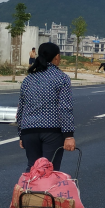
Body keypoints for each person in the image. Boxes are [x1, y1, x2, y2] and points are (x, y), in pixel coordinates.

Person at [16, 42, 75, 172]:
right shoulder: (61, 78)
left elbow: (21, 109)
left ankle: (29, 192)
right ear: (57, 57)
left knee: (33, 169)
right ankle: (44, 193)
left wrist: (21, 133)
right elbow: (65, 108)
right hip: (52, 131)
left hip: (29, 131)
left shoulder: (28, 79)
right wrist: (69, 136)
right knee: (50, 171)